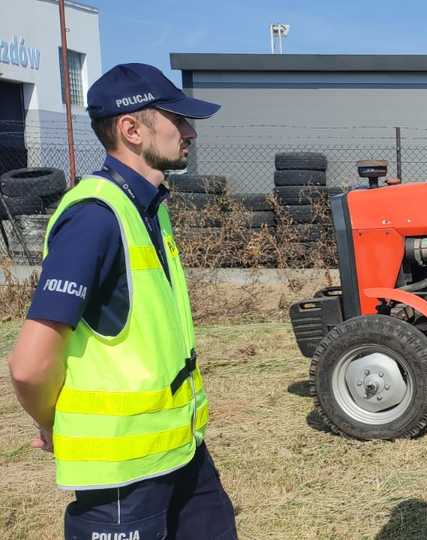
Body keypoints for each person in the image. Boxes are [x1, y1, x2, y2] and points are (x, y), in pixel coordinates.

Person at [6, 63, 237, 539]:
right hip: (123, 474)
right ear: (132, 130)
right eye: (177, 119)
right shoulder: (95, 218)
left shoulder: (148, 208)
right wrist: (54, 422)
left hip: (180, 452)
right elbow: (29, 365)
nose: (190, 132)